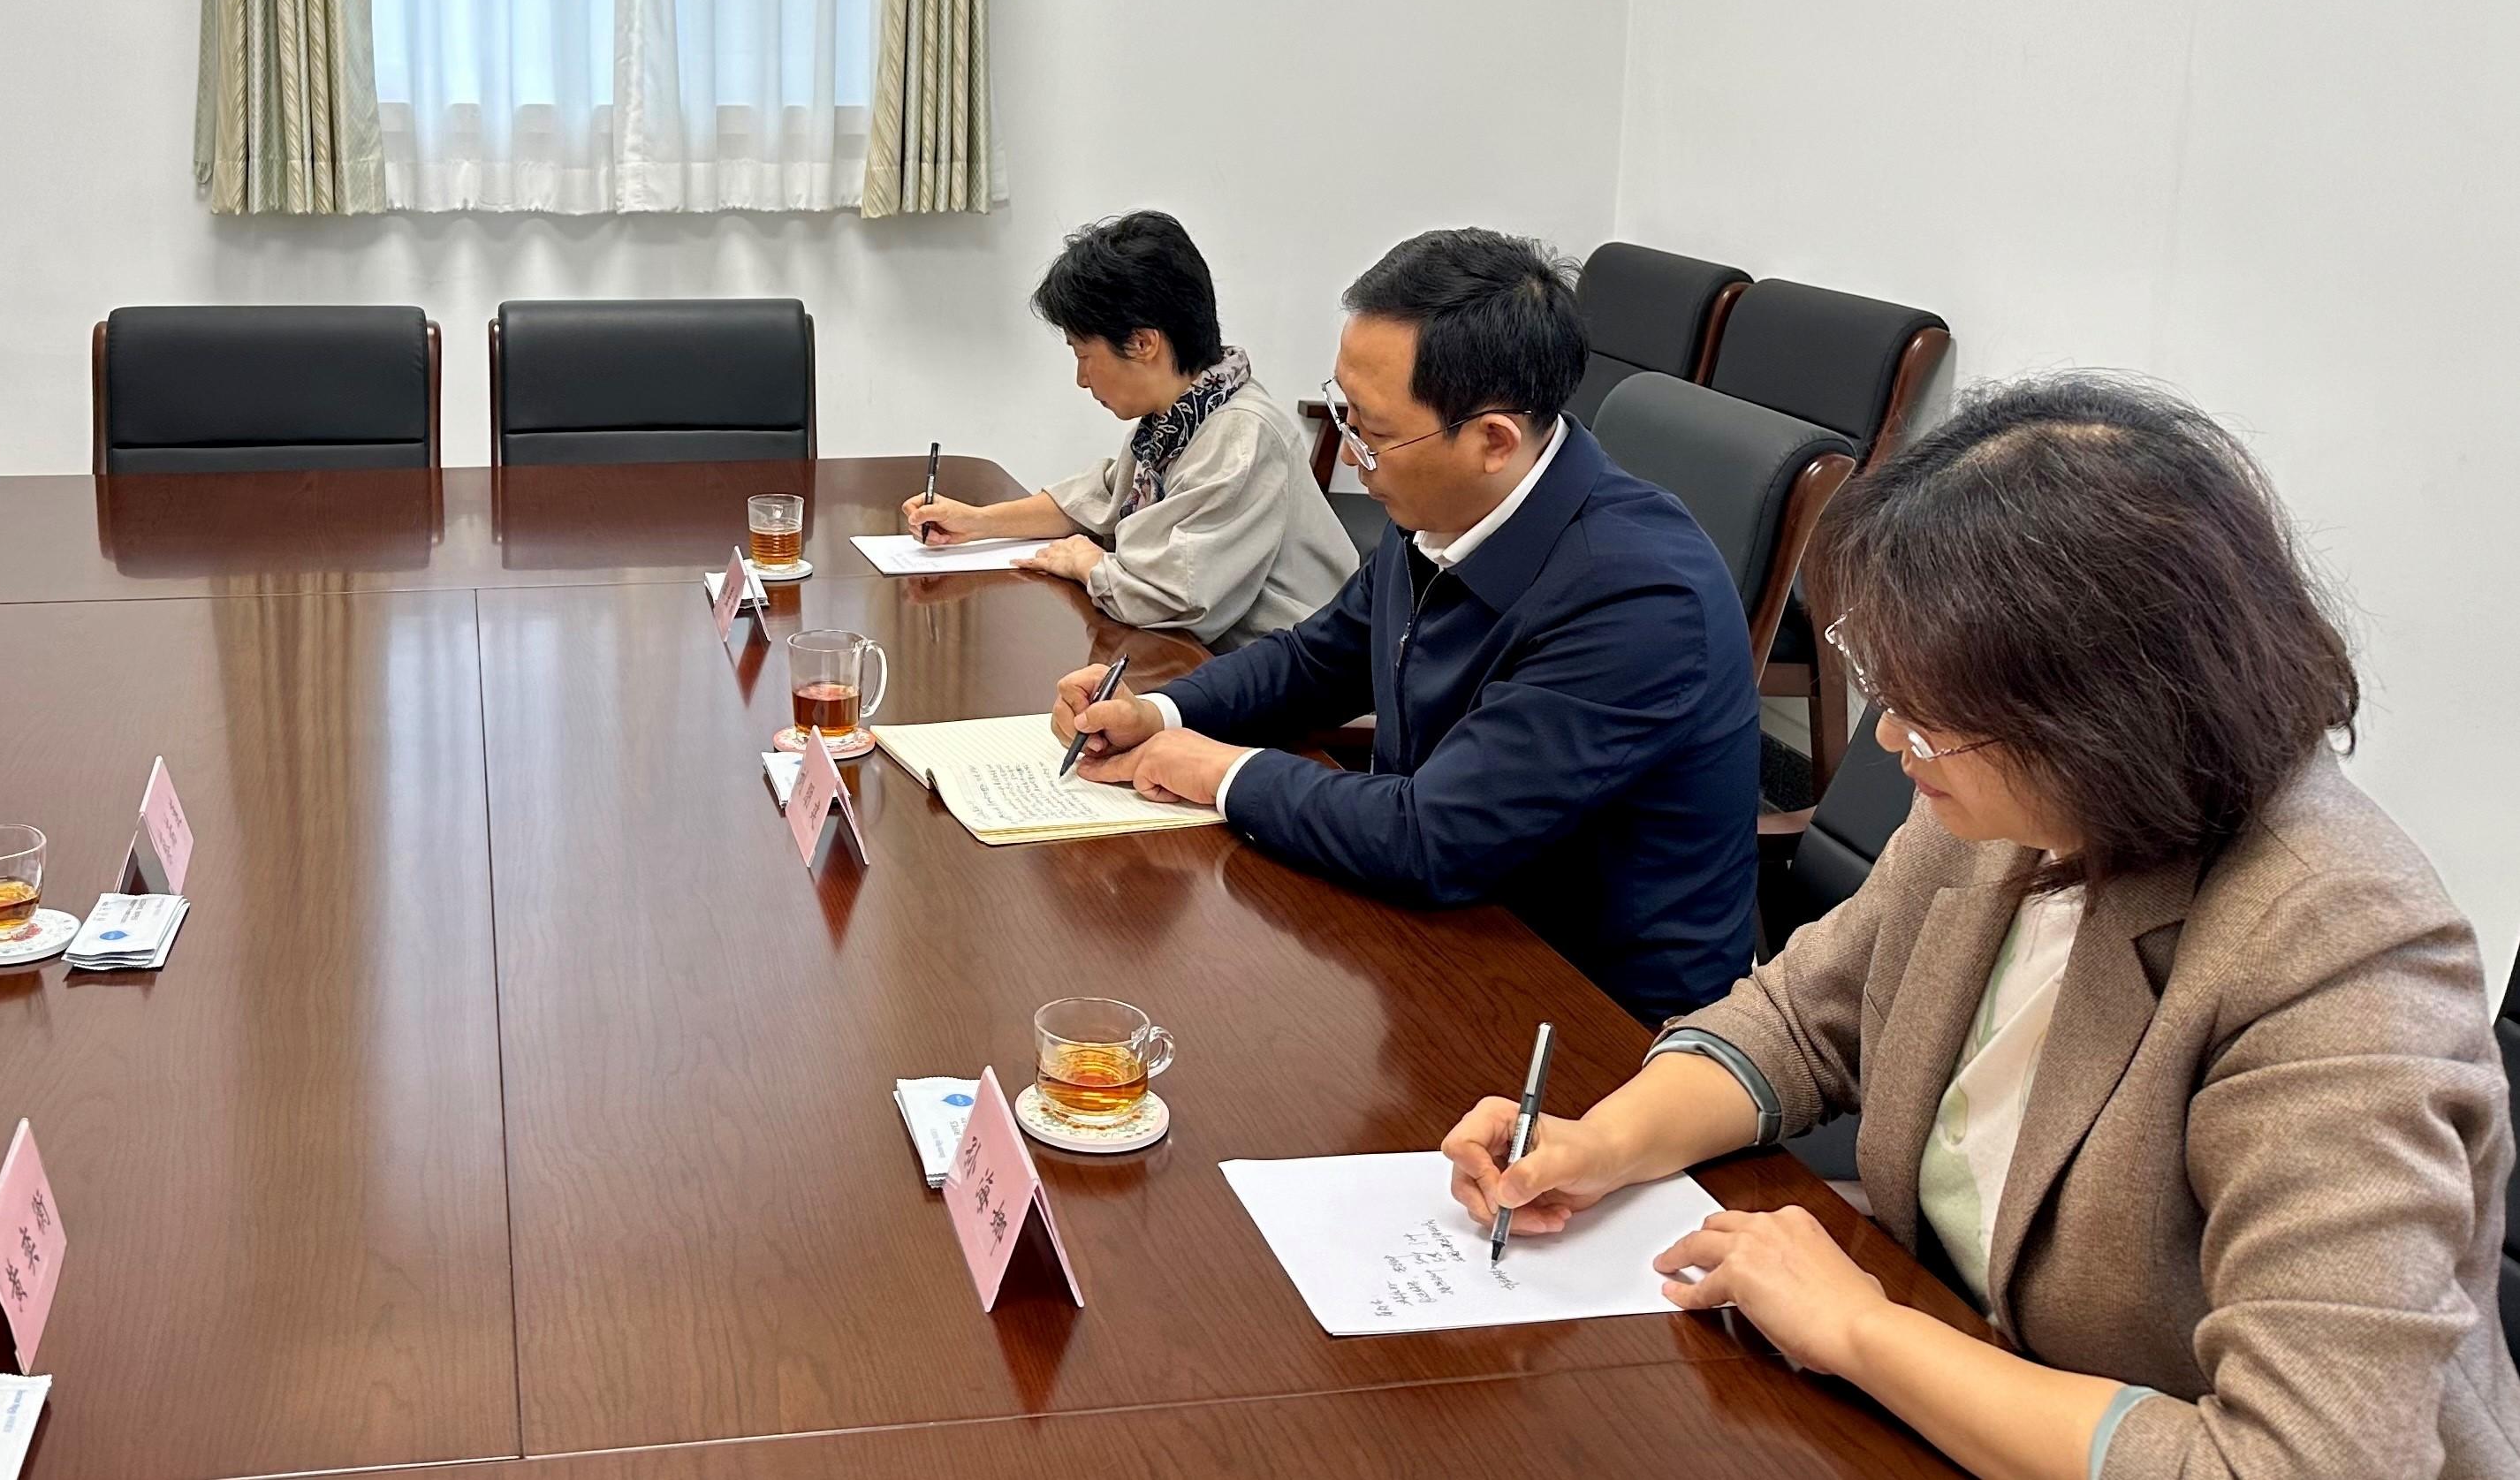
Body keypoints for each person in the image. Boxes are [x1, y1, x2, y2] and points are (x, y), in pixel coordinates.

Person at [1442, 376, 2520, 1478]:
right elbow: (1801, 1018)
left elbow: (2302, 1461)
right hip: (1964, 1368)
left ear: (2105, 718)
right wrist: (1600, 1144)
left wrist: (1862, 1332)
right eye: (1889, 685)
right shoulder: (2012, 807)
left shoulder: (2338, 951)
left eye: (1933, 711)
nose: (1891, 739)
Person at [1055, 229, 1757, 1020]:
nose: (1353, 456)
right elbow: (1319, 658)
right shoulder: (1445, 499)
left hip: (1597, 1023)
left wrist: (1216, 771)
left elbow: (1434, 837)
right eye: (1348, 415)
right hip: (1448, 942)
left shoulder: (1639, 599)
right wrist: (1163, 710)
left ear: (1493, 439)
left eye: (1373, 433)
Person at [901, 210, 1354, 649]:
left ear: (1142, 343)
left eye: (1083, 355)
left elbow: (1177, 598)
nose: (1082, 379)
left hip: (1298, 691)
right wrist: (977, 523)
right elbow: (1099, 498)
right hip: (1217, 662)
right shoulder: (1185, 410)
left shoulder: (1242, 436)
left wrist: (1090, 564)